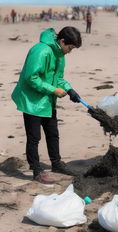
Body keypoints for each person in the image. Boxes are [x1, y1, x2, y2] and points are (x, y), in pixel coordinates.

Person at [11, 27, 82, 184]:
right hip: (32, 101)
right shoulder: (41, 51)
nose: (69, 51)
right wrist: (53, 90)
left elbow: (59, 78)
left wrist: (69, 89)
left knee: (53, 134)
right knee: (34, 137)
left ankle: (56, 164)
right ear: (62, 41)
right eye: (69, 48)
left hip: (48, 101)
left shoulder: (60, 54)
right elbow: (31, 78)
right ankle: (36, 170)